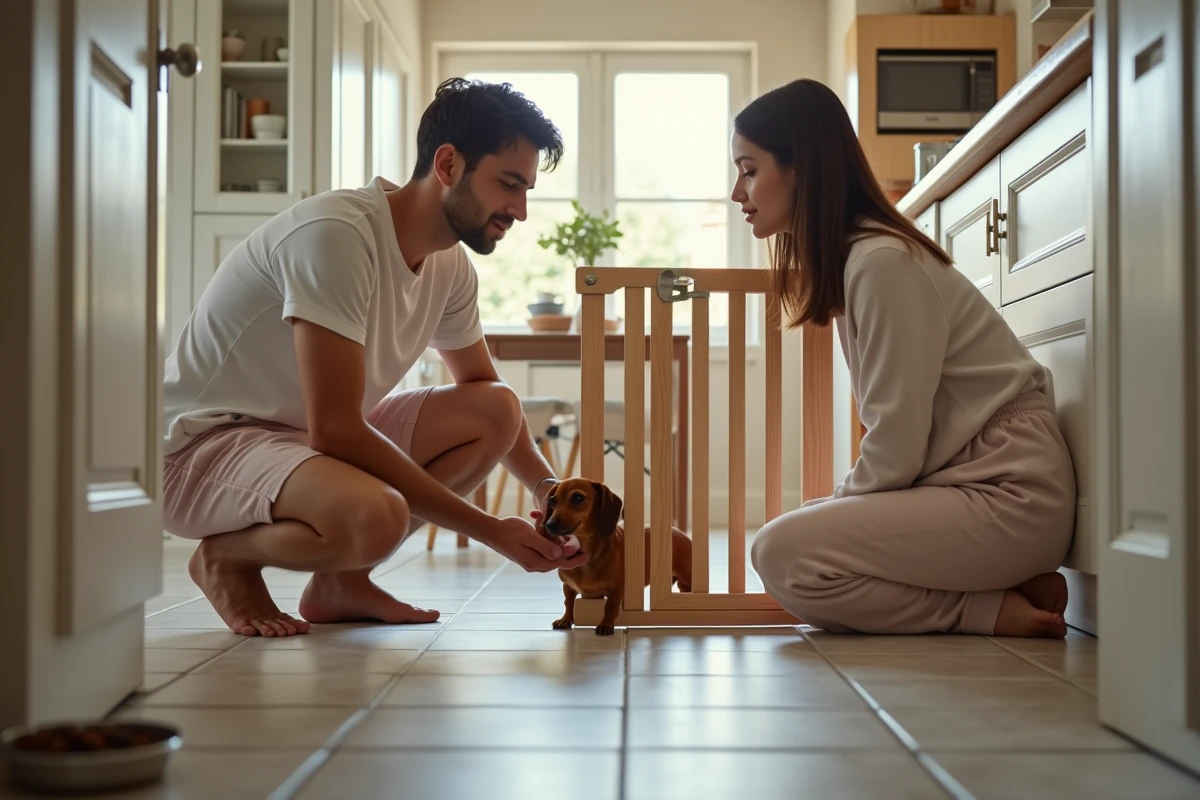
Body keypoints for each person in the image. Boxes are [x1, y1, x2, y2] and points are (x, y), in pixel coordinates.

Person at [162, 78, 585, 638]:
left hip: (301, 441)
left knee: (496, 409)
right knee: (377, 514)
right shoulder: (337, 235)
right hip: (205, 447)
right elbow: (336, 430)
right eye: (509, 184)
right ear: (449, 164)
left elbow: (487, 396)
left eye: (526, 189)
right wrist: (490, 530)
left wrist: (546, 493)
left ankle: (342, 582)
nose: (520, 210)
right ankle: (225, 559)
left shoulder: (449, 265)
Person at [738, 79, 1076, 639]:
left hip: (1010, 496)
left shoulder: (881, 263)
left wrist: (830, 511)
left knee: (780, 552)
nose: (737, 191)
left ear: (801, 170)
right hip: (968, 488)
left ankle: (982, 610)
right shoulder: (861, 264)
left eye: (749, 170)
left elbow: (895, 446)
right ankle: (1005, 591)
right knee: (794, 537)